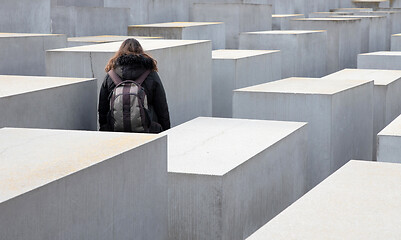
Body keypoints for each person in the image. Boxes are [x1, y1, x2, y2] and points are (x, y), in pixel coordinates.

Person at [98, 38, 170, 133]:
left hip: (116, 131)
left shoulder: (111, 75)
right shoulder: (150, 74)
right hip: (147, 130)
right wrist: (166, 130)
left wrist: (105, 129)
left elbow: (103, 108)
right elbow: (161, 107)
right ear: (141, 51)